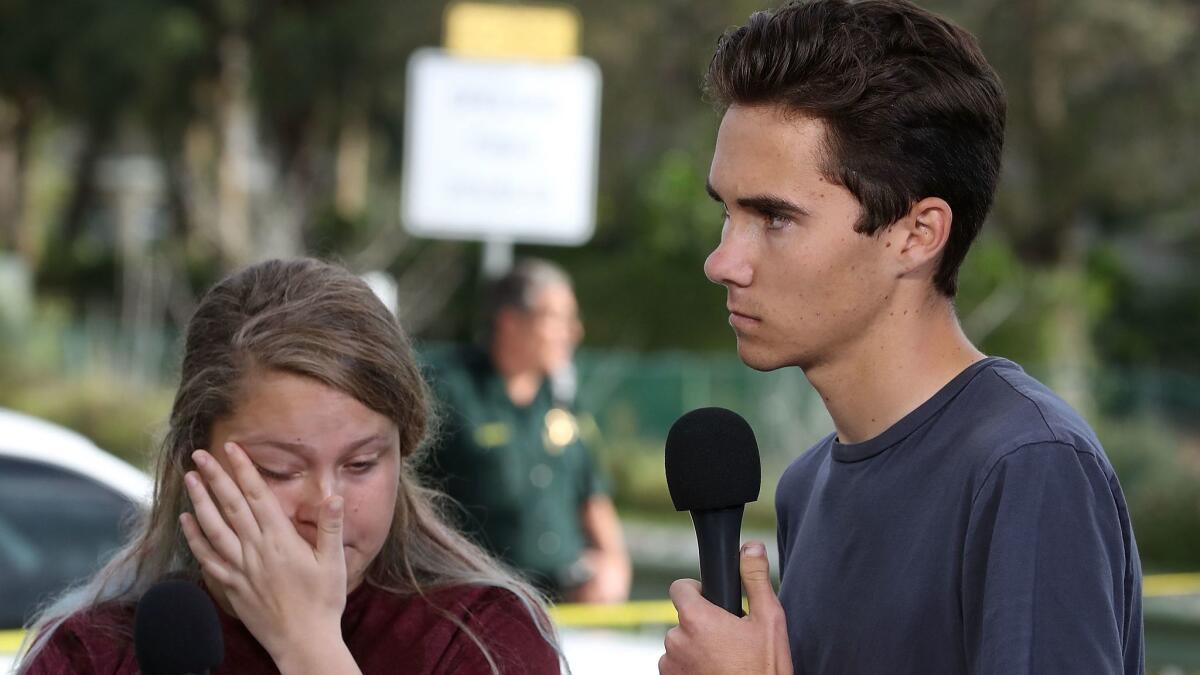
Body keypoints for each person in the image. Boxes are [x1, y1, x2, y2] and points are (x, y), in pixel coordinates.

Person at [659, 1, 1144, 674]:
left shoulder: (1028, 465)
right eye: (728, 212)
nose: (723, 261)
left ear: (917, 234)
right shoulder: (808, 485)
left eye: (772, 216)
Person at [18, 258, 560, 674]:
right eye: (278, 470)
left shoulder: (479, 639)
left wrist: (310, 648)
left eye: (362, 463)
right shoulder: (91, 652)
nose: (328, 507)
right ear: (193, 462)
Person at [425, 259, 631, 603]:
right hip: (475, 601)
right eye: (559, 319)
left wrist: (614, 565)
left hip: (567, 603)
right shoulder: (447, 389)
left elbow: (592, 492)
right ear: (510, 321)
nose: (574, 331)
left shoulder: (561, 398)